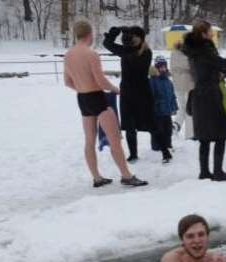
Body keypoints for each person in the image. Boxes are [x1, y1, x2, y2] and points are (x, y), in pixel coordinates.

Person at [63, 19, 148, 188]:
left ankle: (97, 177)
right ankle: (126, 175)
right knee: (114, 139)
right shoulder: (91, 54)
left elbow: (67, 82)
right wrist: (116, 89)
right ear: (89, 34)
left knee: (89, 140)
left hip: (82, 98)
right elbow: (101, 82)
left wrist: (82, 88)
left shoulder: (69, 54)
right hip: (97, 98)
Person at [182, 21, 226, 181]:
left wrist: (216, 73)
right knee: (220, 135)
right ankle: (218, 172)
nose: (212, 34)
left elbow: (206, 68)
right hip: (210, 96)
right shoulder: (205, 49)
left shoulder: (194, 50)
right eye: (210, 31)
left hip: (199, 94)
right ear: (204, 34)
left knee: (204, 138)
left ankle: (204, 172)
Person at [103, 25, 157, 161]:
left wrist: (125, 48)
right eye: (130, 36)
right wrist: (113, 34)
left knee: (151, 124)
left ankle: (165, 151)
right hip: (127, 93)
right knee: (129, 126)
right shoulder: (126, 50)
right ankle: (133, 154)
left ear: (141, 38)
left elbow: (137, 64)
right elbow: (107, 44)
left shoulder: (146, 52)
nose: (131, 39)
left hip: (143, 93)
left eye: (134, 36)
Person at [149, 55, 178, 163]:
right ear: (156, 68)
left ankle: (168, 144)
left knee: (168, 129)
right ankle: (157, 146)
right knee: (159, 130)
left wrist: (174, 106)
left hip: (167, 111)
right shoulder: (152, 81)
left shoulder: (168, 81)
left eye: (164, 66)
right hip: (157, 111)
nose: (162, 69)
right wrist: (155, 106)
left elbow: (172, 95)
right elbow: (151, 96)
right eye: (160, 67)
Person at [170, 40, 195, 141]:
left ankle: (175, 126)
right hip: (188, 84)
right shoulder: (187, 56)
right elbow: (191, 67)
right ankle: (190, 134)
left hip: (177, 85)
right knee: (190, 108)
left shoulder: (173, 53)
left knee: (183, 108)